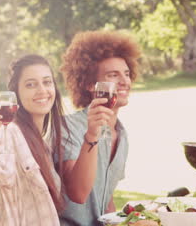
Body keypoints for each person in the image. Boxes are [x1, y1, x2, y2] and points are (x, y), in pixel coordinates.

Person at [59, 31, 140, 225]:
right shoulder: (68, 128)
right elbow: (78, 193)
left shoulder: (121, 134)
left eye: (126, 74)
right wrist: (92, 134)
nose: (124, 81)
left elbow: (106, 198)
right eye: (113, 75)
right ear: (89, 84)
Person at [0, 54, 67, 225]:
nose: (42, 90)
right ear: (16, 94)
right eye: (31, 84)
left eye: (47, 82)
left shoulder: (43, 141)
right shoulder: (9, 134)